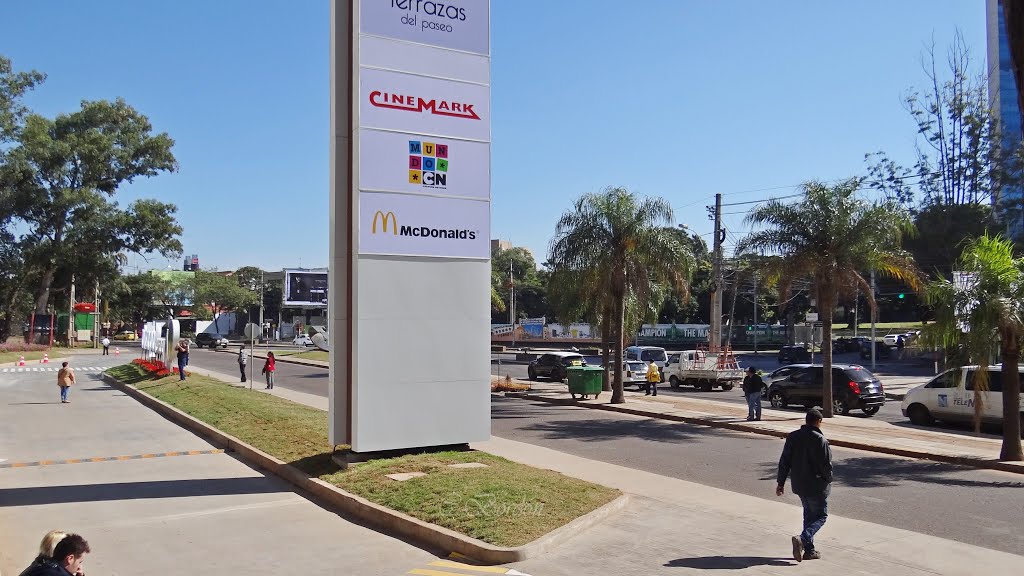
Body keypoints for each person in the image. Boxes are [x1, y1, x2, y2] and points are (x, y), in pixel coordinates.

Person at [776, 408, 833, 562]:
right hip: (816, 485)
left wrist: (780, 483)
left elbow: (784, 461)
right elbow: (826, 466)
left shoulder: (793, 436)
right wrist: (829, 479)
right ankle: (803, 538)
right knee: (821, 516)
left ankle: (809, 550)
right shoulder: (820, 440)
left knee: (808, 515)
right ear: (819, 422)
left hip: (800, 485)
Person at [25, 533, 89, 576]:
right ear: (70, 559)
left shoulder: (40, 565)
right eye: (80, 562)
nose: (79, 567)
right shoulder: (57, 573)